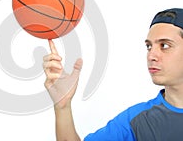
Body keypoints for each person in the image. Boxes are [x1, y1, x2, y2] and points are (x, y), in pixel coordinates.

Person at [43, 8, 183, 141]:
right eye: (149, 46)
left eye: (164, 45)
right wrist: (63, 106)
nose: (151, 55)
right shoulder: (137, 120)